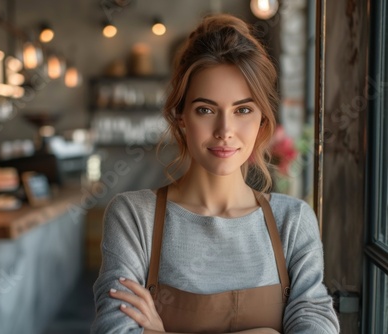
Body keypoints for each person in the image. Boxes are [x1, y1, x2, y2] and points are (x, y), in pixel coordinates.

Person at [91, 13, 340, 334]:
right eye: (206, 110)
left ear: (262, 120)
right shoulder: (134, 217)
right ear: (180, 116)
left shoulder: (292, 221)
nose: (225, 130)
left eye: (243, 110)